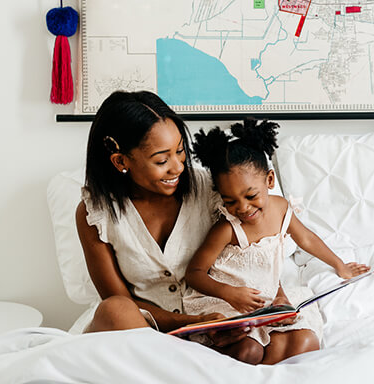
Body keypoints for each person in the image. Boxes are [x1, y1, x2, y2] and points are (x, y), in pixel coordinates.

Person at [183, 119, 370, 365]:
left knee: (307, 342)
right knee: (248, 352)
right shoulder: (227, 228)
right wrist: (229, 294)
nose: (242, 208)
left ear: (269, 181)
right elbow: (194, 273)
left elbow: (306, 239)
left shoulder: (281, 208)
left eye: (251, 196)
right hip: (226, 300)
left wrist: (340, 265)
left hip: (264, 300)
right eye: (230, 201)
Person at [75, 90, 246, 349]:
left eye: (180, 151)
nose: (177, 167)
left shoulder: (209, 188)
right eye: (162, 160)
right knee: (114, 309)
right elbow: (118, 299)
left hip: (213, 323)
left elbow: (262, 227)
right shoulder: (95, 213)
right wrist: (191, 322)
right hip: (141, 333)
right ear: (120, 161)